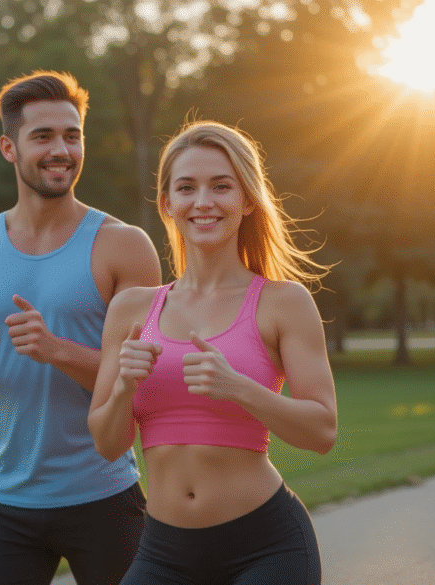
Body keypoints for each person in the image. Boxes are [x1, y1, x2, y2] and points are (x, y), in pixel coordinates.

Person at [0, 71, 161, 585]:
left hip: (105, 496)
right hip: (8, 503)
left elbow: (146, 382)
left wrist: (58, 350)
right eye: (43, 136)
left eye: (72, 136)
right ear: (9, 148)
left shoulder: (123, 245)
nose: (61, 150)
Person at [89, 120, 337, 585]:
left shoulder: (283, 302)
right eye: (187, 188)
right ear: (168, 203)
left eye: (221, 186)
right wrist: (123, 387)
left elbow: (322, 431)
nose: (203, 201)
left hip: (267, 548)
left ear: (247, 200)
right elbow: (107, 444)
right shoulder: (131, 308)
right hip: (163, 553)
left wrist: (239, 388)